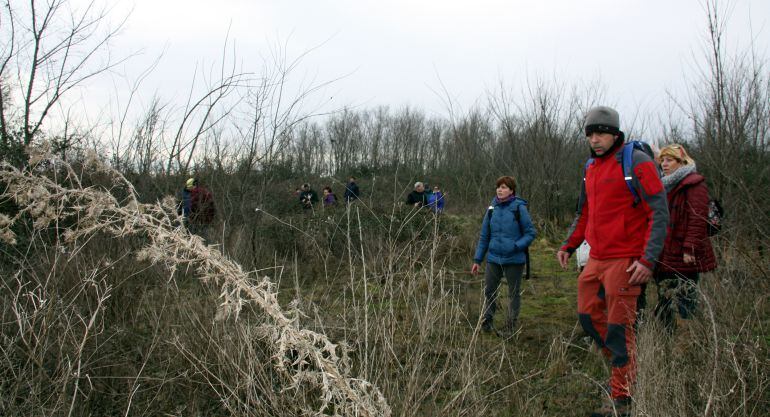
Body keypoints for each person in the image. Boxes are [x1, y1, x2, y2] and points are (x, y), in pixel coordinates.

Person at [556, 106, 668, 417]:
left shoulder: (638, 162)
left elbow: (659, 213)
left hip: (626, 259)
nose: (596, 139)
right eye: (590, 133)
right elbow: (585, 212)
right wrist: (569, 243)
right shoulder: (590, 166)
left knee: (620, 329)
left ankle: (622, 397)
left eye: (602, 132)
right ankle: (627, 365)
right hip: (596, 258)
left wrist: (648, 260)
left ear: (615, 134)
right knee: (588, 318)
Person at [654, 144, 716, 332]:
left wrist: (690, 248)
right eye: (662, 160)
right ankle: (667, 337)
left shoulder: (693, 183)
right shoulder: (666, 183)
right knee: (665, 296)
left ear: (682, 162)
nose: (664, 164)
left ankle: (688, 338)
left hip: (683, 253)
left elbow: (697, 219)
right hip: (665, 250)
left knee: (685, 298)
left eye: (669, 160)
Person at [471, 176, 537, 337]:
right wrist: (477, 260)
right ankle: (487, 322)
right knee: (490, 291)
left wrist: (516, 246)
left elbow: (530, 233)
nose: (500, 190)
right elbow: (484, 236)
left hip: (514, 259)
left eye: (504, 187)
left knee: (513, 293)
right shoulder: (492, 208)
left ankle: (510, 327)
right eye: (498, 187)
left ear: (511, 190)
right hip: (493, 258)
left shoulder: (519, 208)